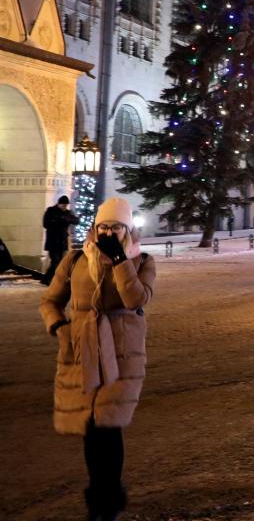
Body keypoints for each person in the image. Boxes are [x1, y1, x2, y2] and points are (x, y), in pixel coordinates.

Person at [40, 197, 155, 521]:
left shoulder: (142, 261)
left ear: (127, 230)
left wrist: (120, 261)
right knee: (90, 425)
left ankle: (107, 503)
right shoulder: (76, 259)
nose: (108, 232)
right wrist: (60, 327)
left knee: (108, 424)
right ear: (94, 227)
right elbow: (50, 301)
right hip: (80, 349)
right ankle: (99, 500)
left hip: (121, 352)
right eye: (103, 226)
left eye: (116, 227)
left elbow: (135, 299)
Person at [43, 195, 80, 285]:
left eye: (66, 205)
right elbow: (46, 224)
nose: (64, 207)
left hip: (62, 241)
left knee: (61, 262)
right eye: (63, 205)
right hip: (53, 241)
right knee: (55, 261)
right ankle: (47, 279)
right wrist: (59, 220)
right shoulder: (51, 211)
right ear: (59, 204)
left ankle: (51, 279)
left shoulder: (67, 213)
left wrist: (67, 219)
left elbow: (76, 221)